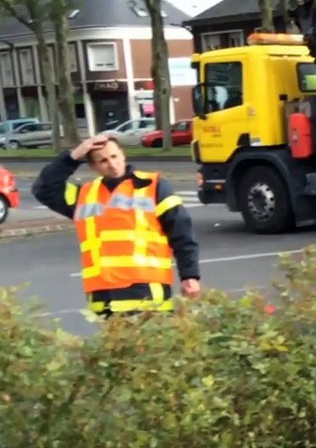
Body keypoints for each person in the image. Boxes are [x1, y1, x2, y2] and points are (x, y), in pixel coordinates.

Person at [32, 133, 200, 318]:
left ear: (123, 154)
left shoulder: (153, 186)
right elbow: (44, 187)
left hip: (147, 293)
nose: (112, 164)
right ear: (93, 166)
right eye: (103, 160)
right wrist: (75, 155)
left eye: (114, 156)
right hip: (104, 296)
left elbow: (182, 233)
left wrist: (189, 275)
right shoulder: (84, 195)